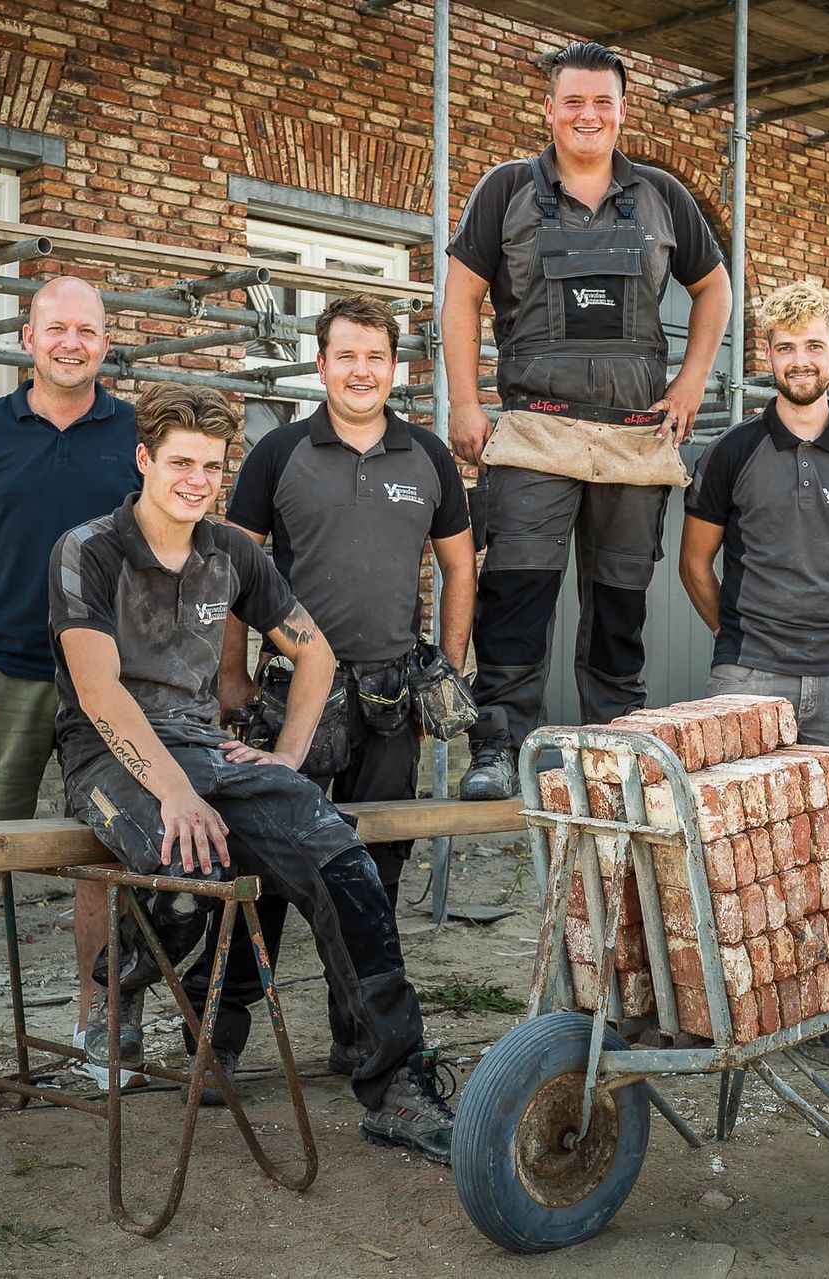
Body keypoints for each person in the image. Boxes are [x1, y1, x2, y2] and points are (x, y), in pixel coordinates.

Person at [48, 381, 456, 1162]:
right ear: (144, 460)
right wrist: (173, 791)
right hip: (109, 752)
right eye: (180, 463)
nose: (196, 479)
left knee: (342, 859)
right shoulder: (88, 548)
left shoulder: (232, 550)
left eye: (210, 464)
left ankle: (395, 1080)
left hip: (207, 747)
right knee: (190, 865)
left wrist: (289, 758)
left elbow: (317, 652)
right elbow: (99, 692)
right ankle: (134, 957)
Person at [195, 293, 475, 1088]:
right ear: (320, 365)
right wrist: (231, 674)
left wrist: (445, 667)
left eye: (376, 357)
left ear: (397, 368)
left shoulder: (427, 456)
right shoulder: (277, 453)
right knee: (265, 870)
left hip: (390, 703)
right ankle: (220, 1042)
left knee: (374, 870)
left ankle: (358, 1037)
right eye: (346, 356)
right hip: (295, 698)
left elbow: (460, 566)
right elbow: (230, 569)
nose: (362, 370)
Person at [443, 39, 732, 799]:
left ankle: (616, 749)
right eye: (572, 100)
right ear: (549, 109)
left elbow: (716, 289)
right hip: (535, 431)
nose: (587, 114)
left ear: (623, 111)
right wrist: (466, 402)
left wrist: (692, 381)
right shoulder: (506, 190)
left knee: (619, 603)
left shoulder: (664, 196)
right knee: (517, 593)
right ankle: (499, 746)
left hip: (634, 440)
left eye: (602, 101)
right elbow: (460, 295)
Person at [0, 276, 144, 1103]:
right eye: (56, 329)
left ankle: (94, 1034)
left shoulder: (136, 434)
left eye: (87, 330)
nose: (71, 342)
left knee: (103, 860)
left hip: (106, 686)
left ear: (106, 343)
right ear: (28, 338)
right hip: (1, 677)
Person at [679, 280, 829, 1067]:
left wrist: (817, 635)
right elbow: (696, 564)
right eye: (785, 347)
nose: (800, 360)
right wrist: (744, 641)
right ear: (766, 359)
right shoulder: (732, 453)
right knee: (737, 844)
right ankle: (747, 1006)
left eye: (814, 345)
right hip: (748, 673)